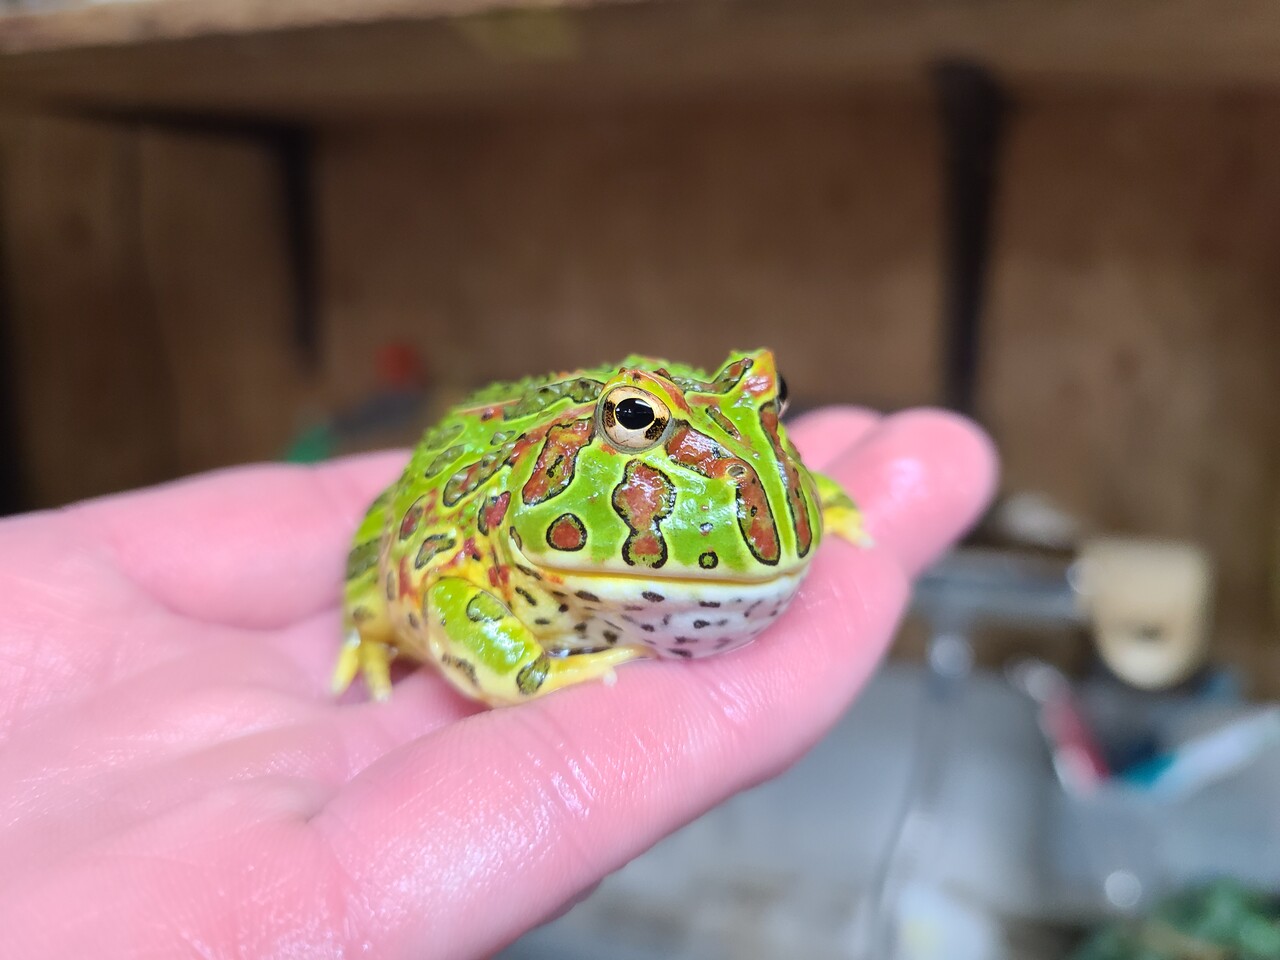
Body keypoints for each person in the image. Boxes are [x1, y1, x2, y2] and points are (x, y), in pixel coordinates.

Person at [0, 406, 995, 958]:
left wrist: (797, 485)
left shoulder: (730, 458)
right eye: (640, 426)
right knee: (385, 570)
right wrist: (521, 666)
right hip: (461, 492)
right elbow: (429, 561)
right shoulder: (502, 517)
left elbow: (733, 432)